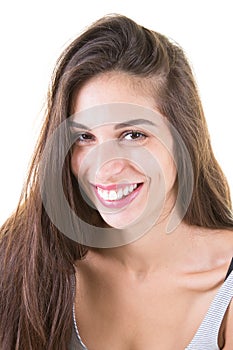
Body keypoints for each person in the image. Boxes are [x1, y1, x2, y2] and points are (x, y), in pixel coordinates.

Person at [0, 14, 233, 350]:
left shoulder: (223, 285)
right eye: (84, 136)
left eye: (133, 134)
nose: (105, 168)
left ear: (183, 138)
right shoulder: (27, 261)